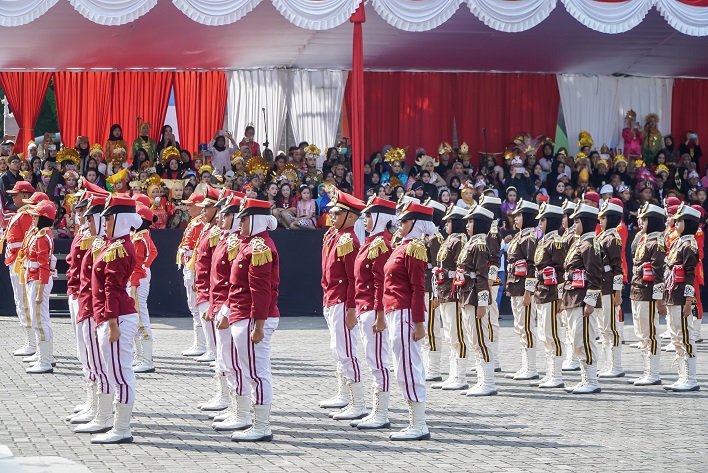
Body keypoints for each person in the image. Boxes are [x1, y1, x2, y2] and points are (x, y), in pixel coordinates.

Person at [89, 194, 142, 444]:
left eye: (109, 218)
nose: (105, 222)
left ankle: (122, 429)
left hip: (117, 317)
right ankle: (115, 424)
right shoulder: (114, 244)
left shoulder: (119, 247)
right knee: (115, 373)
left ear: (120, 220)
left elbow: (112, 287)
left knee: (121, 374)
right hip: (113, 316)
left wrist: (110, 322)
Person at [227, 198, 280, 441]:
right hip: (244, 315)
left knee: (257, 373)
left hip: (251, 317)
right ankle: (255, 421)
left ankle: (261, 426)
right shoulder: (251, 245)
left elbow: (261, 290)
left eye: (245, 218)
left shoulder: (259, 247)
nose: (240, 222)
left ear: (256, 219)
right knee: (252, 371)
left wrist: (258, 325)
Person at [383, 200, 434, 441]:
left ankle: (419, 423)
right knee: (401, 367)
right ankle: (414, 421)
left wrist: (419, 322)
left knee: (408, 367)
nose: (399, 224)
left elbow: (417, 287)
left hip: (405, 312)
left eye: (404, 221)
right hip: (395, 310)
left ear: (416, 223)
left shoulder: (414, 248)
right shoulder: (401, 246)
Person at [318, 190, 366, 419]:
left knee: (346, 350)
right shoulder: (334, 235)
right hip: (331, 298)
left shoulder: (348, 240)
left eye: (337, 213)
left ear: (349, 216)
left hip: (341, 300)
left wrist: (351, 308)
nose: (331, 216)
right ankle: (344, 394)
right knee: (337, 349)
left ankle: (358, 402)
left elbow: (353, 278)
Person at [69, 190, 113, 431]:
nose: (85, 221)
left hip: (94, 308)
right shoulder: (94, 240)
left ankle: (102, 412)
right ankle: (94, 403)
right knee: (89, 358)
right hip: (85, 302)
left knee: (99, 361)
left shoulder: (106, 244)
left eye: (90, 217)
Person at [351, 196, 396, 429]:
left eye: (369, 216)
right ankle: (375, 410)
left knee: (379, 361)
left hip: (373, 309)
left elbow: (382, 284)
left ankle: (381, 412)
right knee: (372, 360)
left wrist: (380, 315)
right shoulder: (372, 242)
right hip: (364, 308)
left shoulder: (381, 245)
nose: (365, 219)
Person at [209, 190, 252, 432]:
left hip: (231, 309)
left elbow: (235, 281)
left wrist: (224, 309)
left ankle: (243, 411)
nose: (220, 218)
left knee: (235, 362)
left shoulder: (236, 242)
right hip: (221, 307)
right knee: (226, 360)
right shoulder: (227, 239)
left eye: (226, 215)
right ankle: (236, 407)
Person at [562, 204, 603, 394]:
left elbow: (594, 274)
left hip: (582, 299)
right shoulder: (579, 243)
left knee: (585, 340)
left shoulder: (590, 244)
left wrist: (590, 301)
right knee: (577, 339)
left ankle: (592, 380)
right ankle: (584, 378)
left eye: (577, 221)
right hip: (573, 297)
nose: (574, 224)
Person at [456, 205, 496, 396]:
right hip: (466, 295)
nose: (467, 225)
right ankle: (481, 381)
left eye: (471, 221)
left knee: (481, 339)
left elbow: (482, 276)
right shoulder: (472, 243)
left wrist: (482, 303)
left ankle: (488, 382)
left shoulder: (479, 244)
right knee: (474, 340)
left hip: (474, 296)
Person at [430, 205, 469, 391]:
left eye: (450, 221)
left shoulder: (459, 241)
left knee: (457, 335)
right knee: (449, 336)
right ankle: (453, 375)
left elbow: (460, 270)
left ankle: (460, 377)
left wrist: (460, 297)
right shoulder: (449, 240)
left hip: (453, 293)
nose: (446, 224)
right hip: (445, 291)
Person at [663, 204, 701, 392]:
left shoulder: (689, 244)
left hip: (681, 298)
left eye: (679, 221)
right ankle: (681, 376)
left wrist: (688, 301)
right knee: (676, 337)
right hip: (672, 295)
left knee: (686, 337)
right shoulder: (678, 242)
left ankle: (691, 378)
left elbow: (689, 275)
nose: (675, 223)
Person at [629, 203, 666, 386]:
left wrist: (659, 300)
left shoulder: (657, 242)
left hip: (649, 293)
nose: (641, 222)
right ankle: (646, 370)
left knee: (650, 332)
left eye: (644, 219)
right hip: (637, 290)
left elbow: (659, 273)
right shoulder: (644, 239)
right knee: (641, 333)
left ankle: (653, 372)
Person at [531, 203, 566, 389]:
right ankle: (549, 372)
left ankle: (557, 375)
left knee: (552, 335)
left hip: (552, 294)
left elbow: (561, 271)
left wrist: (560, 298)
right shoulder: (543, 241)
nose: (540, 223)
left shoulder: (556, 242)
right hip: (541, 292)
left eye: (543, 220)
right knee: (544, 335)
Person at [505, 199, 540, 381]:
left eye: (519, 215)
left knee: (527, 327)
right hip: (515, 287)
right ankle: (525, 365)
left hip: (523, 290)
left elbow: (533, 266)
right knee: (520, 328)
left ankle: (531, 367)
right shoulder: (520, 236)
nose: (515, 218)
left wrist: (528, 292)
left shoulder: (529, 238)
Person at [24, 199, 57, 374]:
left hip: (38, 281)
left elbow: (43, 266)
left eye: (37, 216)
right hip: (35, 279)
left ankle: (44, 360)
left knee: (39, 322)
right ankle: (44, 357)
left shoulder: (42, 238)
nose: (34, 219)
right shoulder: (40, 235)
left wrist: (40, 291)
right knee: (41, 320)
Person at [4, 181, 36, 356]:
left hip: (21, 263)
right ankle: (29, 341)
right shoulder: (21, 213)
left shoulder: (28, 215)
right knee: (20, 301)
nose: (13, 197)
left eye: (16, 194)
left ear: (25, 196)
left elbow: (28, 240)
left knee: (24, 302)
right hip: (15, 260)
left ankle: (31, 343)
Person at [596, 200, 626, 379]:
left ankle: (616, 365)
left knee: (611, 328)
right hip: (601, 287)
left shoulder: (613, 238)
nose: (601, 220)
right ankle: (608, 364)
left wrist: (617, 293)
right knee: (604, 329)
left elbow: (618, 268)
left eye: (604, 217)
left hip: (609, 289)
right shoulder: (603, 236)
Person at [129, 203, 158, 374]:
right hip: (137, 280)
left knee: (140, 320)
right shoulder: (140, 236)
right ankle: (140, 357)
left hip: (137, 282)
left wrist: (133, 284)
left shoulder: (140, 238)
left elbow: (138, 265)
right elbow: (153, 253)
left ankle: (146, 360)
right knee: (136, 320)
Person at [177, 192, 207, 357]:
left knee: (197, 306)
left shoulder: (200, 223)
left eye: (190, 205)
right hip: (189, 265)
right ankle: (200, 343)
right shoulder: (195, 222)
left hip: (194, 266)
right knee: (193, 306)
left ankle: (202, 344)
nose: (188, 208)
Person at [421, 198, 447, 381]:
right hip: (424, 286)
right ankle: (425, 364)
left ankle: (434, 368)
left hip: (431, 288)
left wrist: (437, 293)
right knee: (424, 326)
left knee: (432, 327)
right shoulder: (427, 238)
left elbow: (438, 267)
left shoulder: (436, 239)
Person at [479, 195, 504, 372]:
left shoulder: (492, 231)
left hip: (490, 280)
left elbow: (495, 258)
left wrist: (489, 278)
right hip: (484, 278)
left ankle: (493, 358)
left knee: (490, 318)